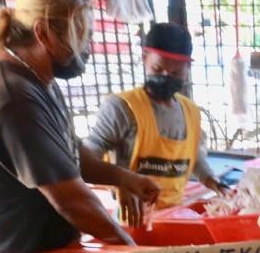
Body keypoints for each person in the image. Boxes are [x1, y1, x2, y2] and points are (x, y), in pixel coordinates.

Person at [0, 0, 159, 253]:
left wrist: (124, 178)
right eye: (81, 36)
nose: (87, 49)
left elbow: (70, 155)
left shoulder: (38, 79)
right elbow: (74, 201)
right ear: (43, 34)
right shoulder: (14, 98)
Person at [84, 23, 226, 209]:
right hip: (134, 218)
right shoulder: (121, 108)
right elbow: (87, 157)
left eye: (176, 73)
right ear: (145, 58)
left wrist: (214, 182)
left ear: (188, 67)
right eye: (158, 69)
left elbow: (196, 157)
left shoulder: (191, 112)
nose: (166, 76)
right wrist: (121, 182)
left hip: (176, 215)